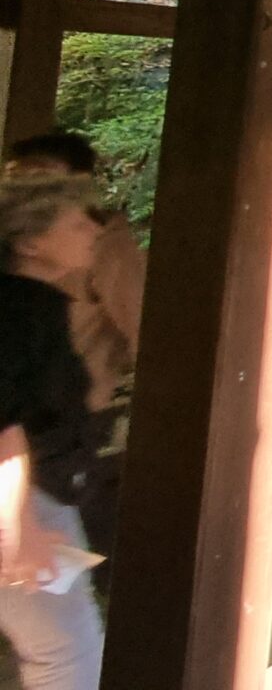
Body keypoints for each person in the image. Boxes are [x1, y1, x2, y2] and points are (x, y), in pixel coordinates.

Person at [3, 136, 140, 578]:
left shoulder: (108, 248)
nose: (25, 186)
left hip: (64, 430)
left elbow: (145, 328)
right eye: (17, 176)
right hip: (30, 443)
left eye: (39, 175)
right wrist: (16, 527)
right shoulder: (22, 298)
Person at [0, 203, 101, 690]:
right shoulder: (19, 310)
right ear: (30, 244)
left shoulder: (33, 305)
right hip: (25, 498)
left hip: (32, 493)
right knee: (65, 651)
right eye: (76, 222)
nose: (94, 229)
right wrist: (17, 526)